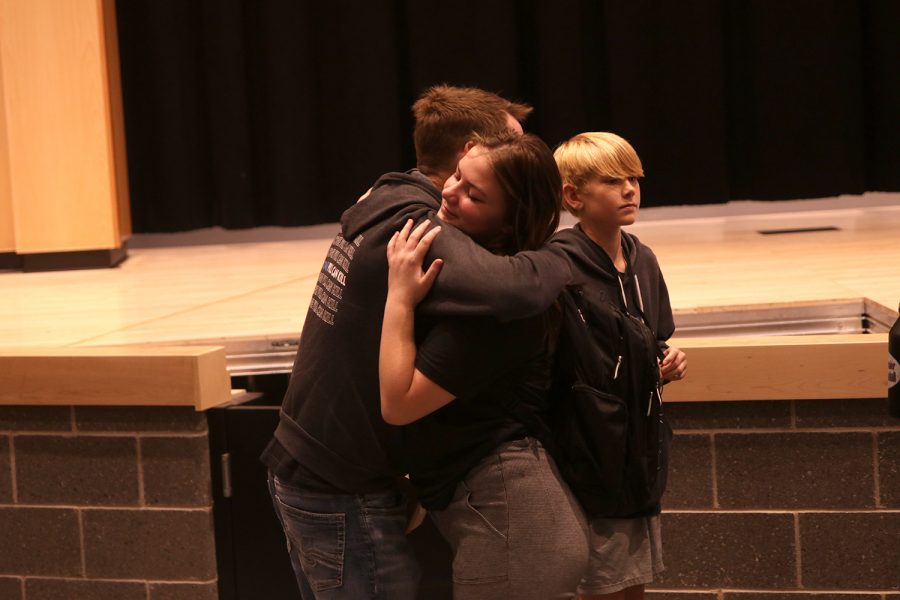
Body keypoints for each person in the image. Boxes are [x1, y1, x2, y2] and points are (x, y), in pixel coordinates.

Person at [260, 85, 573, 599]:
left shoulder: (389, 193)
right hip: (338, 481)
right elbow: (514, 287)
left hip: (318, 468)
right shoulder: (419, 227)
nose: (518, 152)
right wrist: (570, 252)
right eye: (464, 178)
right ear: (467, 149)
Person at [380, 132, 590, 600]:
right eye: (457, 175)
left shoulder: (498, 311)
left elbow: (398, 402)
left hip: (518, 532)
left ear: (509, 223)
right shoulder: (483, 274)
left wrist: (399, 296)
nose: (450, 192)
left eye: (474, 195)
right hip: (517, 524)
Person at [551, 132, 687, 600]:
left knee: (632, 582)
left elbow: (652, 340)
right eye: (612, 180)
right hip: (591, 453)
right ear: (574, 196)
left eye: (633, 177)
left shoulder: (642, 257)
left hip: (639, 449)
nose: (630, 189)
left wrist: (666, 362)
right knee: (601, 583)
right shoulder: (558, 267)